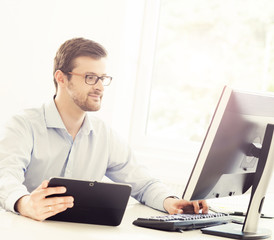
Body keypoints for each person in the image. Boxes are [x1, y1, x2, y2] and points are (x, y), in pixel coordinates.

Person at [0, 37, 208, 221]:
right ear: (61, 78)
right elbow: (4, 176)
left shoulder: (104, 135)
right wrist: (24, 203)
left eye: (103, 78)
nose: (99, 87)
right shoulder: (24, 125)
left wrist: (171, 201)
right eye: (90, 77)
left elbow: (143, 183)